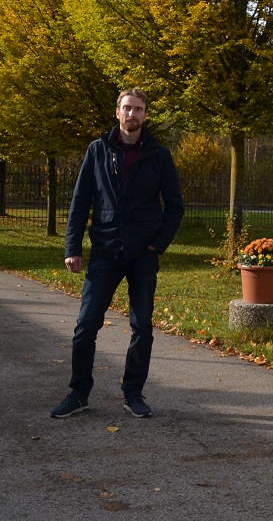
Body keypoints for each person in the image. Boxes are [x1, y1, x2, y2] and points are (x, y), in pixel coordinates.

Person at [51, 88, 184, 419]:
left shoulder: (158, 154)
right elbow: (80, 202)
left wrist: (158, 243)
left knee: (143, 327)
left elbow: (175, 206)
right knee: (85, 325)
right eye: (127, 108)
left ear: (145, 115)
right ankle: (79, 392)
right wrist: (72, 247)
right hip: (105, 250)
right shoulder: (97, 151)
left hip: (143, 254)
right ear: (117, 112)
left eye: (138, 109)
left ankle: (133, 393)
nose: (132, 114)